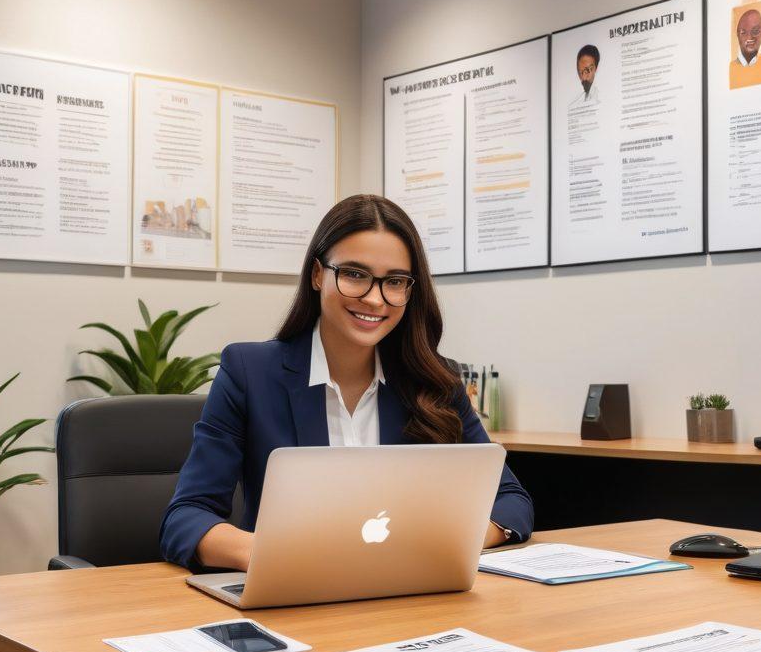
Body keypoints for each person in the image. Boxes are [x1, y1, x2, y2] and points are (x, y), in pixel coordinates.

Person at [160, 194, 534, 572]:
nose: (374, 299)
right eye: (354, 275)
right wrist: (266, 552)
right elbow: (186, 517)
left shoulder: (435, 380)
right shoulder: (249, 372)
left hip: (408, 594)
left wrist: (451, 540)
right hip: (291, 592)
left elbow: (510, 502)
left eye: (395, 281)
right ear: (318, 274)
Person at [729, 7, 761, 89]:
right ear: (737, 35)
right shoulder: (730, 69)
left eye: (756, 31)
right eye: (743, 32)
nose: (749, 37)